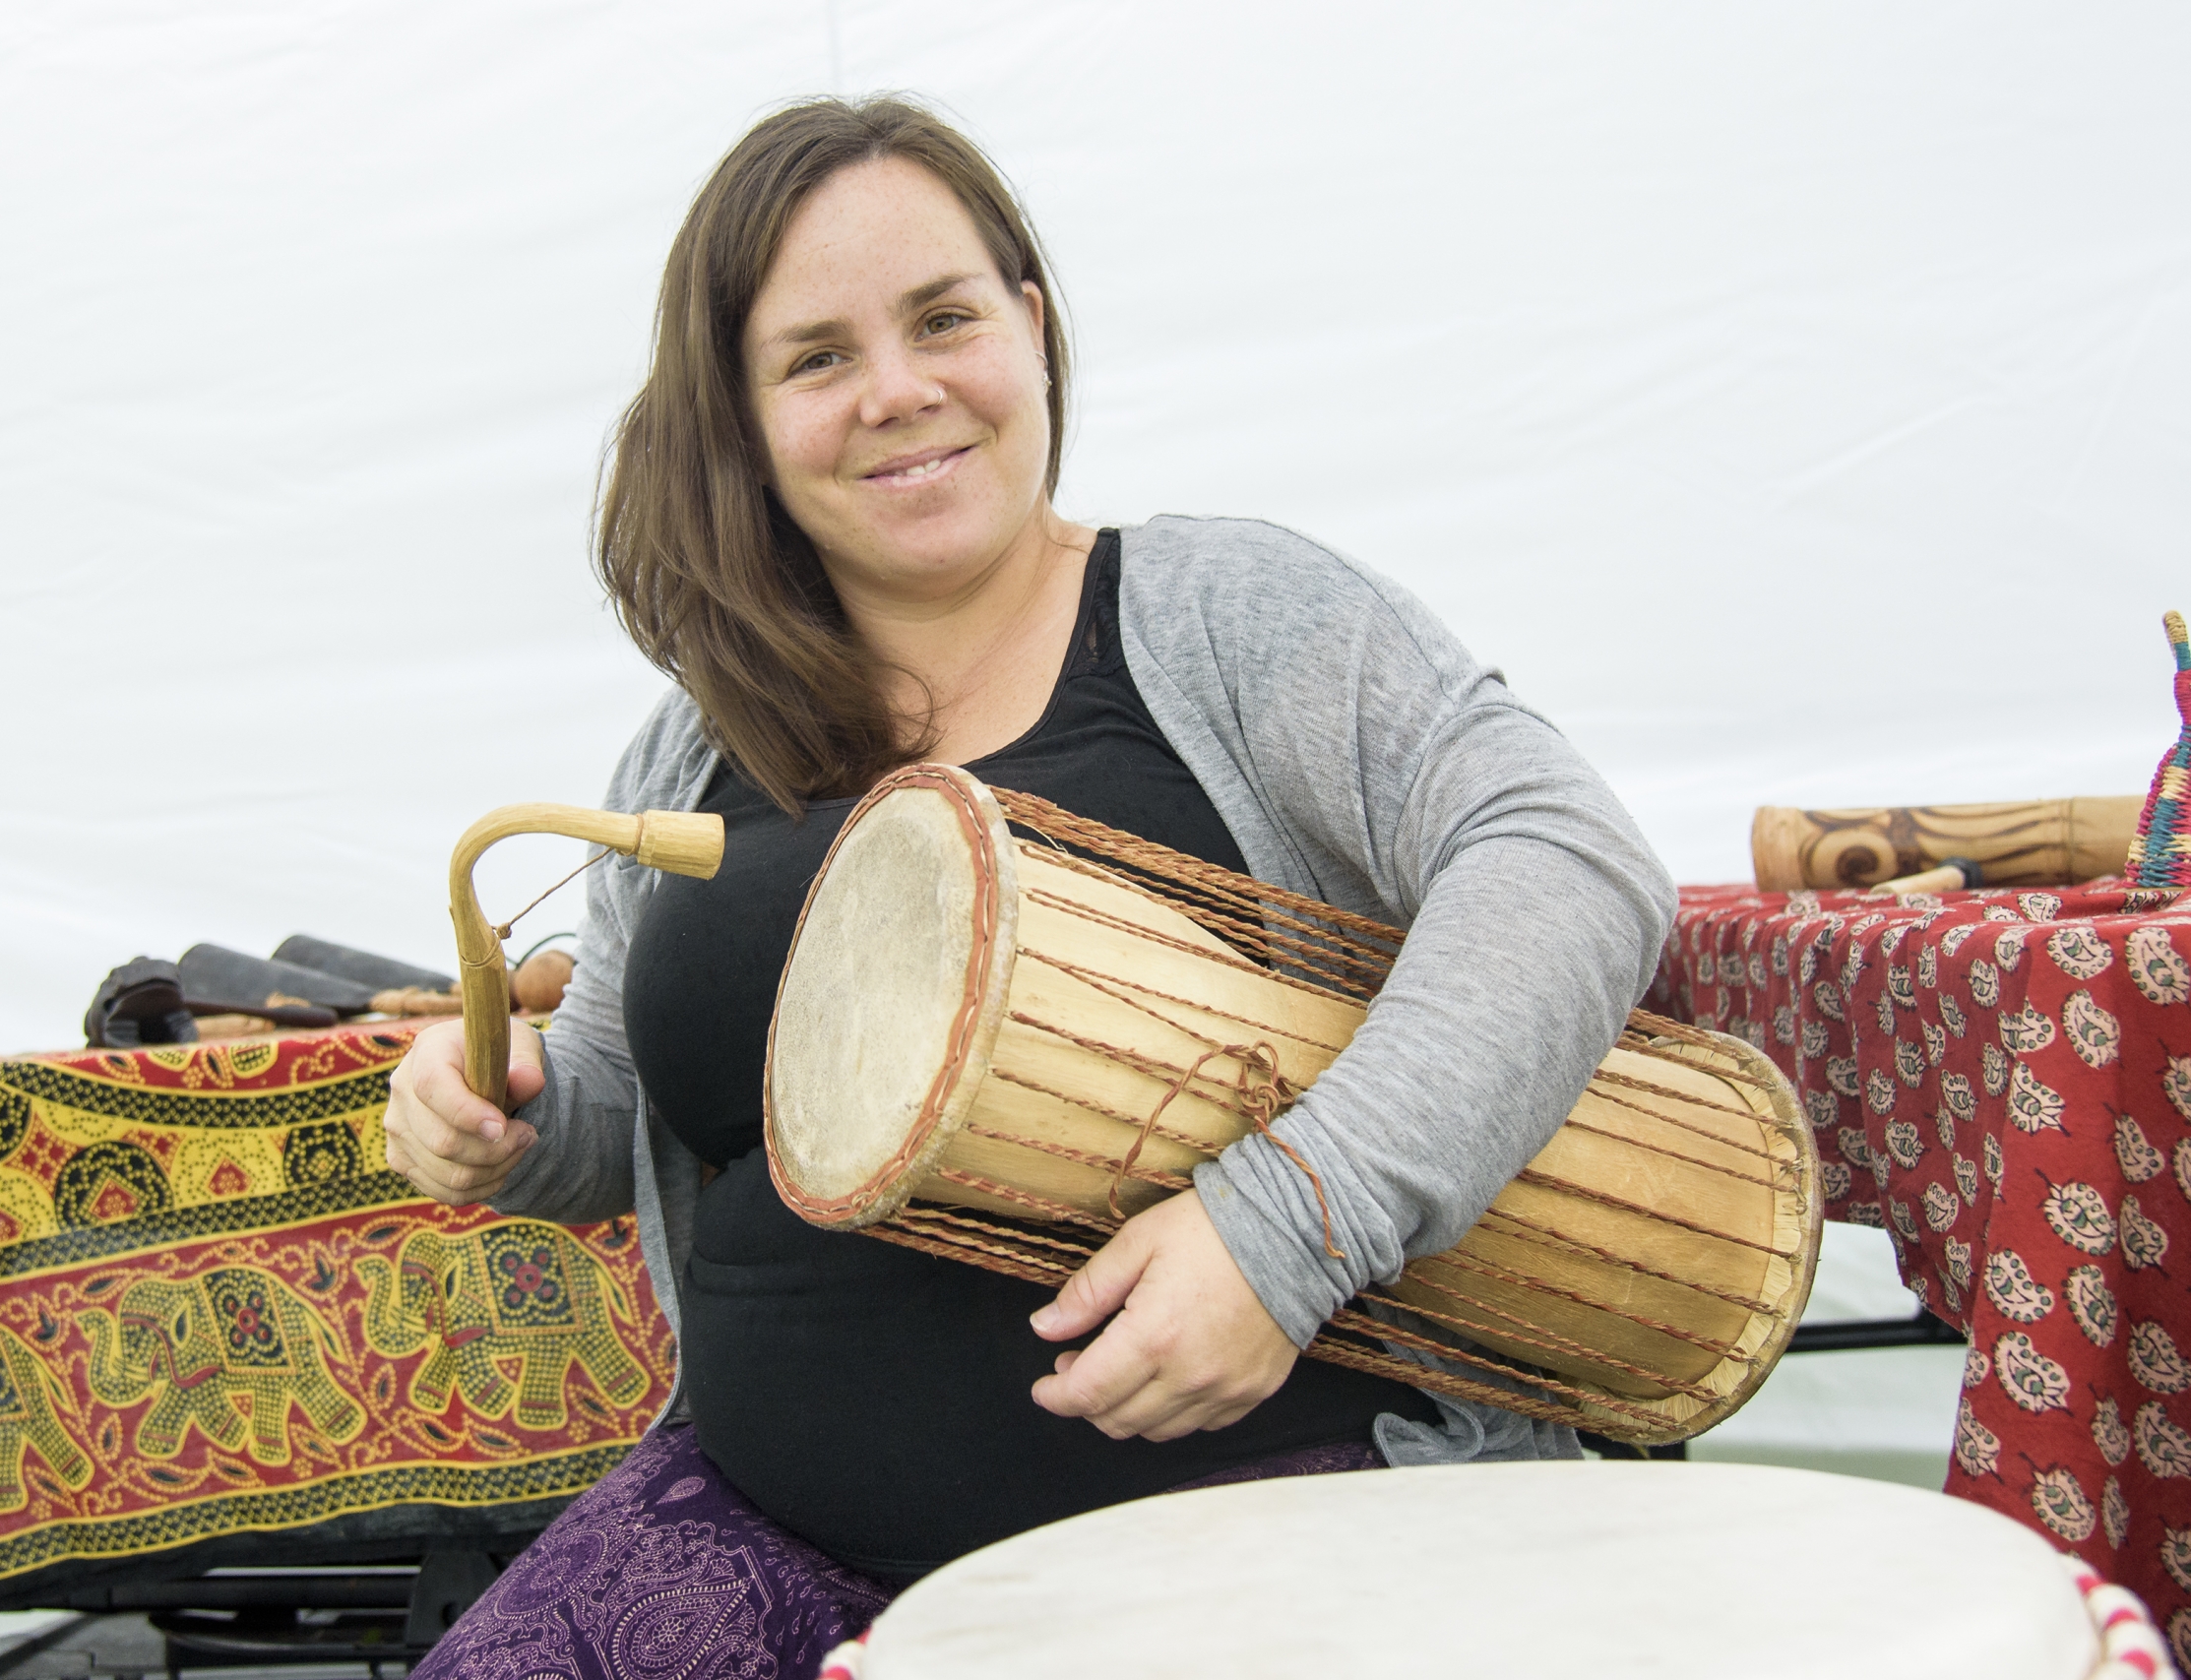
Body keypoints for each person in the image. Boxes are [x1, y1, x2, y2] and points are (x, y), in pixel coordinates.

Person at [388, 96, 1673, 1679]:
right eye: (817, 357)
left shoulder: (1217, 617)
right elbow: (623, 1107)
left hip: (1254, 1511)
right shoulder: (695, 735)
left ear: (1033, 326)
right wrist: (506, 1116)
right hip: (763, 1525)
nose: (900, 391)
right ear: (741, 416)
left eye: (943, 320)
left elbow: (1569, 859)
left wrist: (1287, 1229)